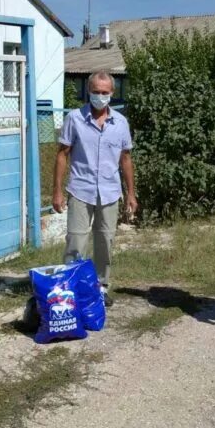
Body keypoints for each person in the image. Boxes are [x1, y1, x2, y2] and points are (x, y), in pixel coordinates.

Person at [52, 71, 138, 306]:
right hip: (81, 189)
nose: (100, 96)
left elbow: (126, 159)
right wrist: (57, 191)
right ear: (88, 92)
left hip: (110, 192)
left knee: (105, 243)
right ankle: (69, 290)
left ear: (112, 93)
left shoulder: (120, 122)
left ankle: (100, 287)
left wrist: (131, 193)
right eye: (96, 92)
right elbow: (62, 155)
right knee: (76, 243)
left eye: (105, 92)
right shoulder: (74, 118)